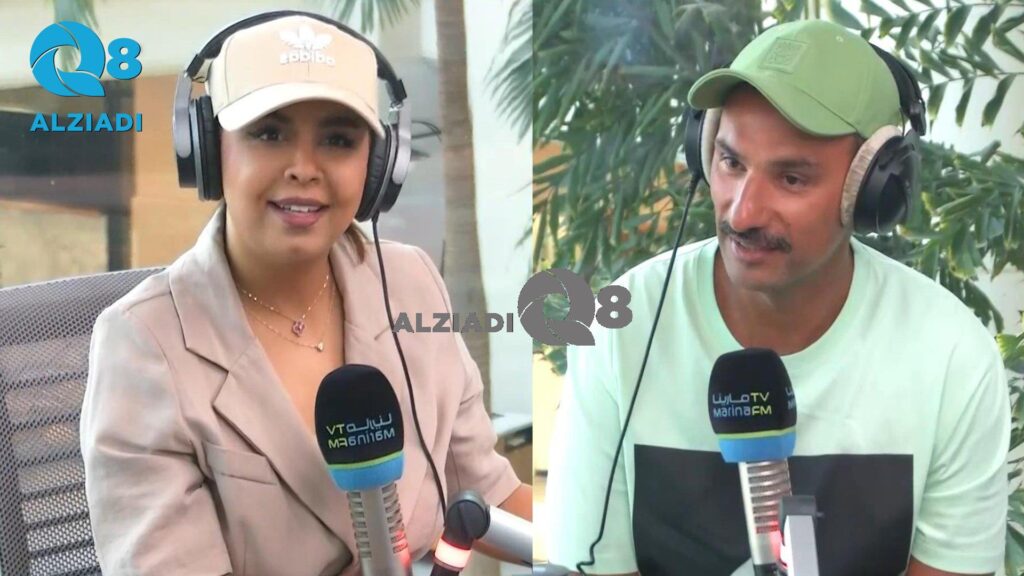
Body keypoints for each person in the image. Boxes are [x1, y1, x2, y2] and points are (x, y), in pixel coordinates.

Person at [546, 19, 1008, 576]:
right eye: (731, 162)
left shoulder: (951, 356)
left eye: (791, 179)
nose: (742, 213)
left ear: (872, 189)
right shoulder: (623, 329)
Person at [80, 12, 531, 575]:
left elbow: (485, 492)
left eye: (338, 140)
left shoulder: (409, 283)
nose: (304, 168)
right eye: (269, 133)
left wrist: (606, 543)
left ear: (378, 167)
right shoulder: (143, 346)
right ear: (208, 149)